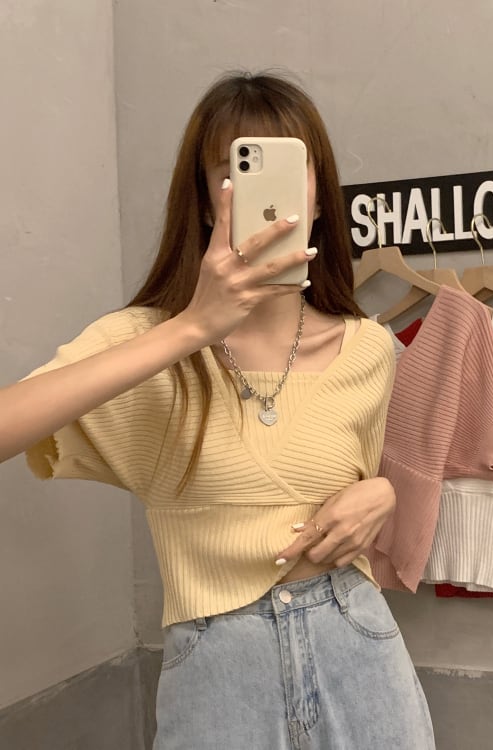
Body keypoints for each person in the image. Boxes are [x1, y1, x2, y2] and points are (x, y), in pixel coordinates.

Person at [0, 70, 435, 749]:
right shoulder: (146, 342)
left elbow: (343, 481)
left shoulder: (368, 349)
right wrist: (192, 328)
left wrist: (382, 493)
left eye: (292, 171)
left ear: (319, 195)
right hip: (217, 665)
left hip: (356, 641)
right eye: (234, 173)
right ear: (205, 203)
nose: (268, 198)